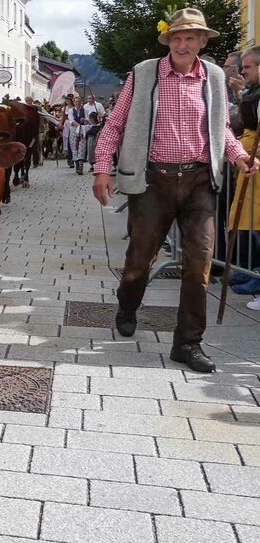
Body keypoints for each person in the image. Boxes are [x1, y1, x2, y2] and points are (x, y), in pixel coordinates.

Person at [92, 8, 258, 373]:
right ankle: (128, 303)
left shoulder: (213, 76)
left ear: (202, 42)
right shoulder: (144, 73)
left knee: (198, 264)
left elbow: (221, 129)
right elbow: (115, 124)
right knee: (139, 260)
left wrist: (239, 156)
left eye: (191, 38)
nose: (183, 44)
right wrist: (102, 168)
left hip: (200, 181)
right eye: (177, 38)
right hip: (153, 181)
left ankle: (187, 343)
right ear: (169, 41)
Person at [227, 46, 260, 302]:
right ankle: (248, 268)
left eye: (248, 67)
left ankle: (255, 273)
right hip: (250, 160)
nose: (243, 71)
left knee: (257, 222)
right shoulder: (253, 92)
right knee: (247, 220)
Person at [68, 96, 87, 174]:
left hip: (82, 130)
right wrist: (78, 125)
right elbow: (71, 121)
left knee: (82, 146)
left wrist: (85, 120)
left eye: (79, 101)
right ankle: (76, 163)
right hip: (74, 129)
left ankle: (81, 164)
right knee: (74, 146)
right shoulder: (71, 110)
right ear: (74, 102)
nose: (78, 103)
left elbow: (87, 121)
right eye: (76, 101)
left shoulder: (84, 110)